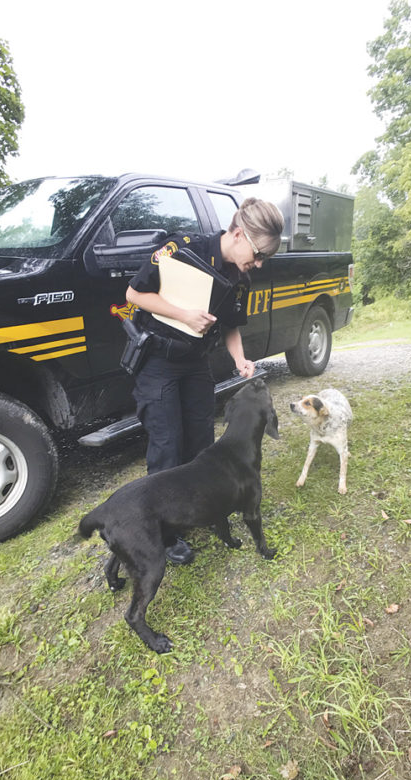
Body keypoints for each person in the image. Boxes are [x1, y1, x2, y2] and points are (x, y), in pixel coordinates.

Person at [125, 197, 284, 565]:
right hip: (158, 363)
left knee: (201, 444)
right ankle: (165, 534)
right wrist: (183, 314)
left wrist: (240, 359)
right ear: (240, 233)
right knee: (167, 448)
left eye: (264, 260)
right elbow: (134, 293)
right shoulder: (182, 250)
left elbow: (230, 326)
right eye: (259, 254)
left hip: (196, 363)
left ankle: (201, 510)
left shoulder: (240, 277)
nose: (258, 264)